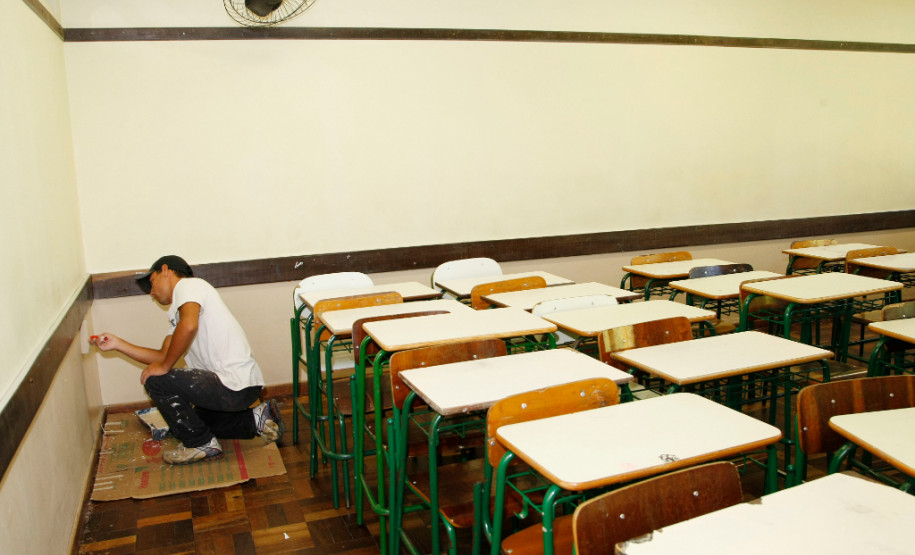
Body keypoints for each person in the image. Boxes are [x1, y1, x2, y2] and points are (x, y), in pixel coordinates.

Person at [91, 255, 284, 465]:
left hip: (232, 384)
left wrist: (164, 367)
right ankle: (257, 418)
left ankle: (201, 444)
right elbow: (163, 356)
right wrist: (117, 344)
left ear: (166, 270)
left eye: (152, 283)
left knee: (155, 381)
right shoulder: (179, 313)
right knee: (187, 421)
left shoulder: (189, 286)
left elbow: (187, 329)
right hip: (238, 388)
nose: (152, 293)